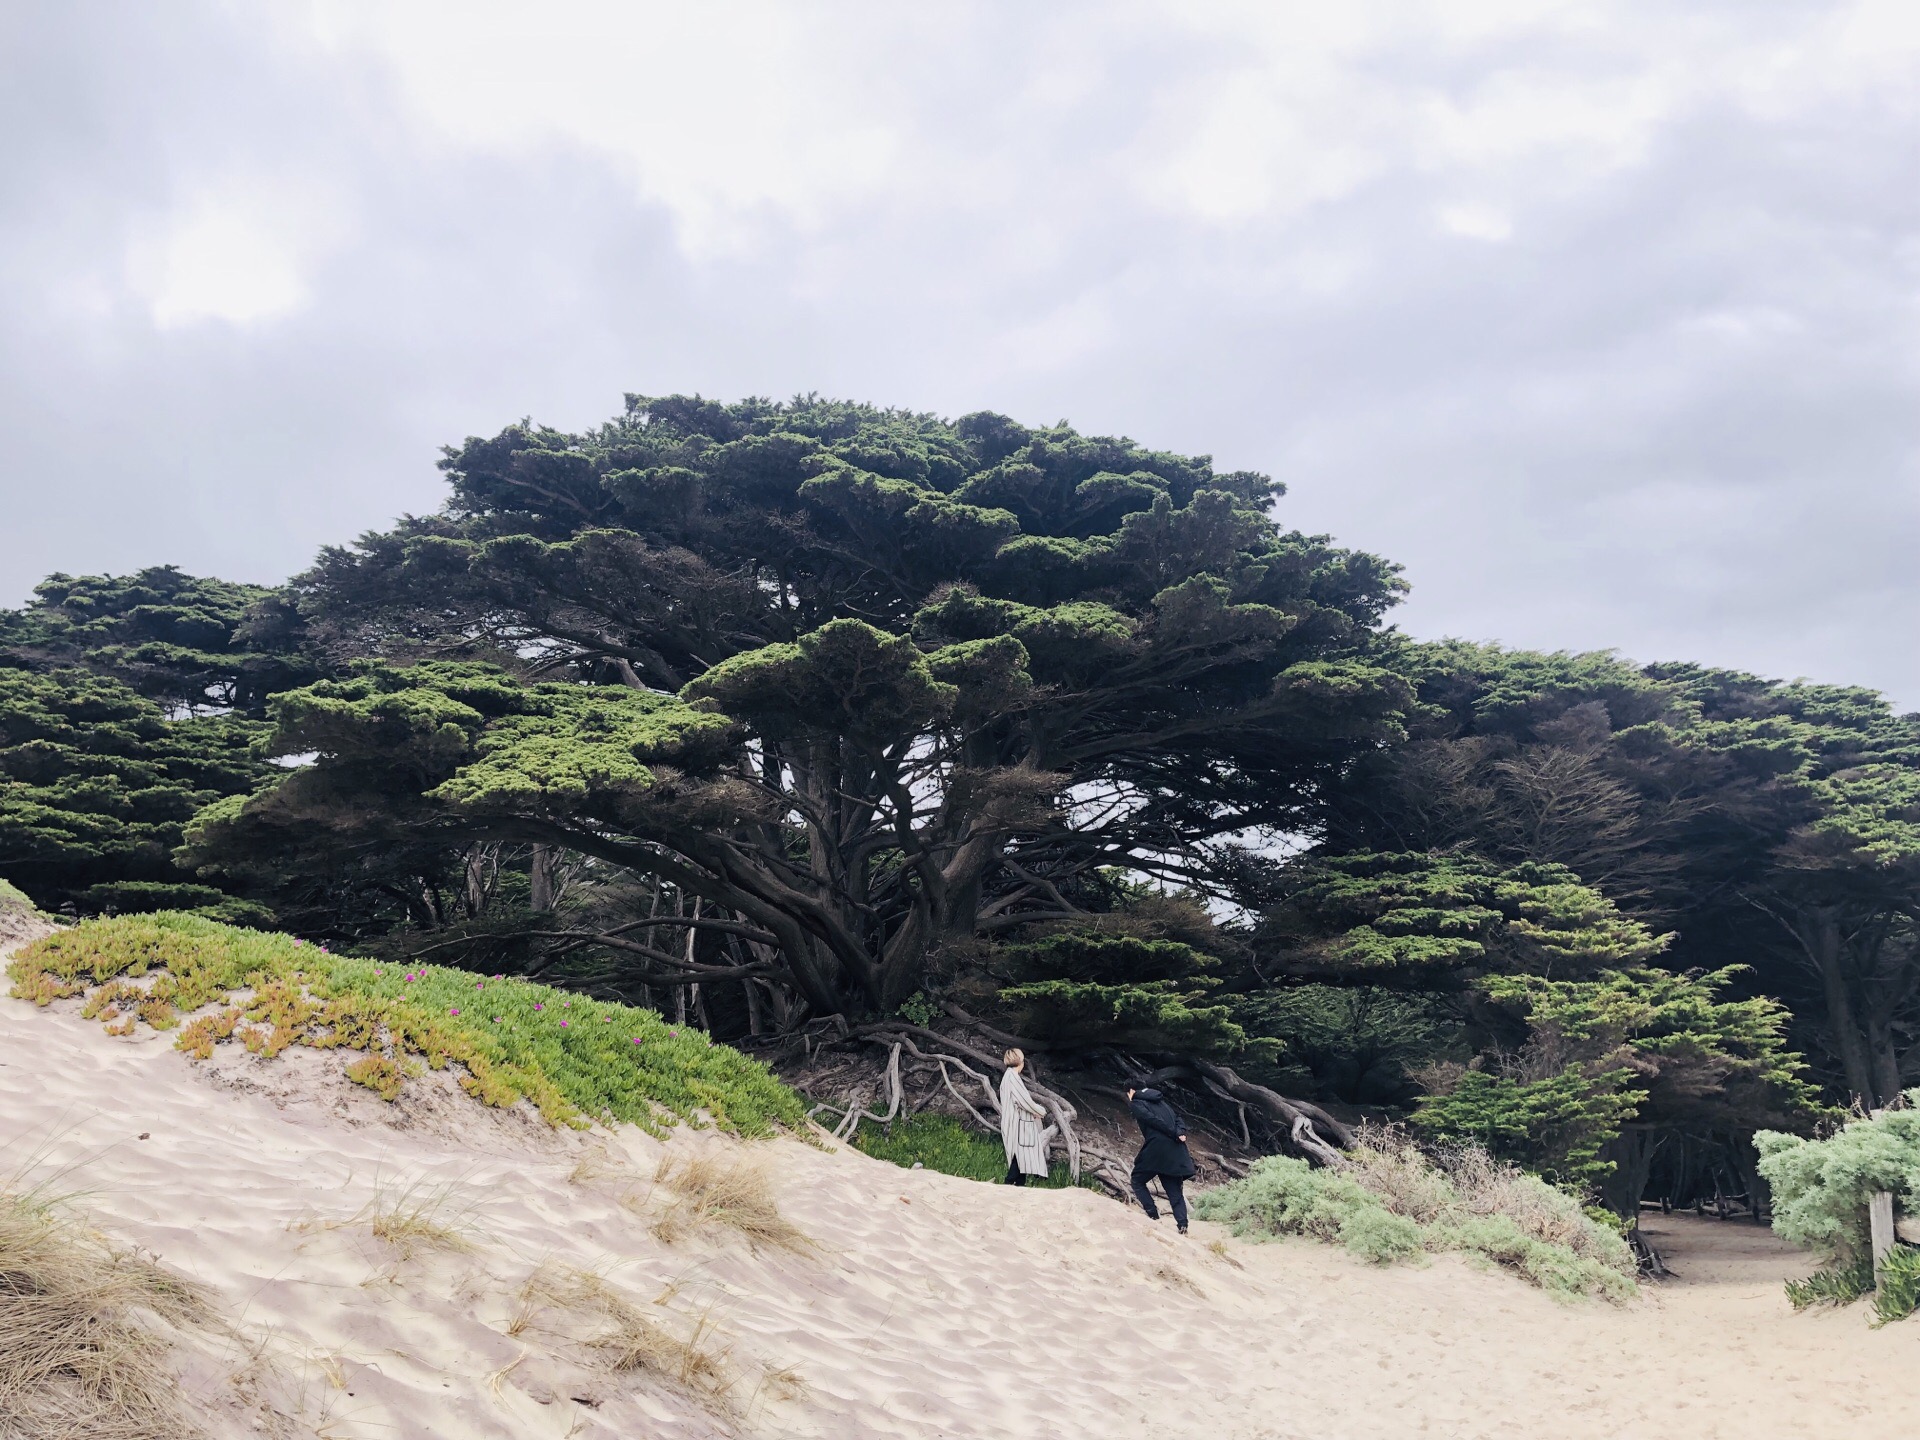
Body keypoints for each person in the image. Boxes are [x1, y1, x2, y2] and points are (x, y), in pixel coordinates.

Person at [1127, 1084, 1195, 1233]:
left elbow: (1152, 1120)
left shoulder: (1136, 1103)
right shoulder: (1161, 1101)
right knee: (1174, 1190)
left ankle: (1152, 1214)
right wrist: (1179, 1132)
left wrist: (1173, 1132)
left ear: (1132, 1091)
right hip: (1174, 1150)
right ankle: (1183, 1224)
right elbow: (1178, 1118)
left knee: (1137, 1180)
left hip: (1156, 1150)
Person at [999, 1048, 1051, 1186]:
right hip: (1017, 1123)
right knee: (1021, 1154)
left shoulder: (1009, 1076)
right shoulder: (1012, 1078)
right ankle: (1008, 1183)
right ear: (1020, 1062)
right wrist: (1040, 1110)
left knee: (1022, 1155)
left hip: (1015, 1121)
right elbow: (1023, 1101)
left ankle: (1020, 1185)